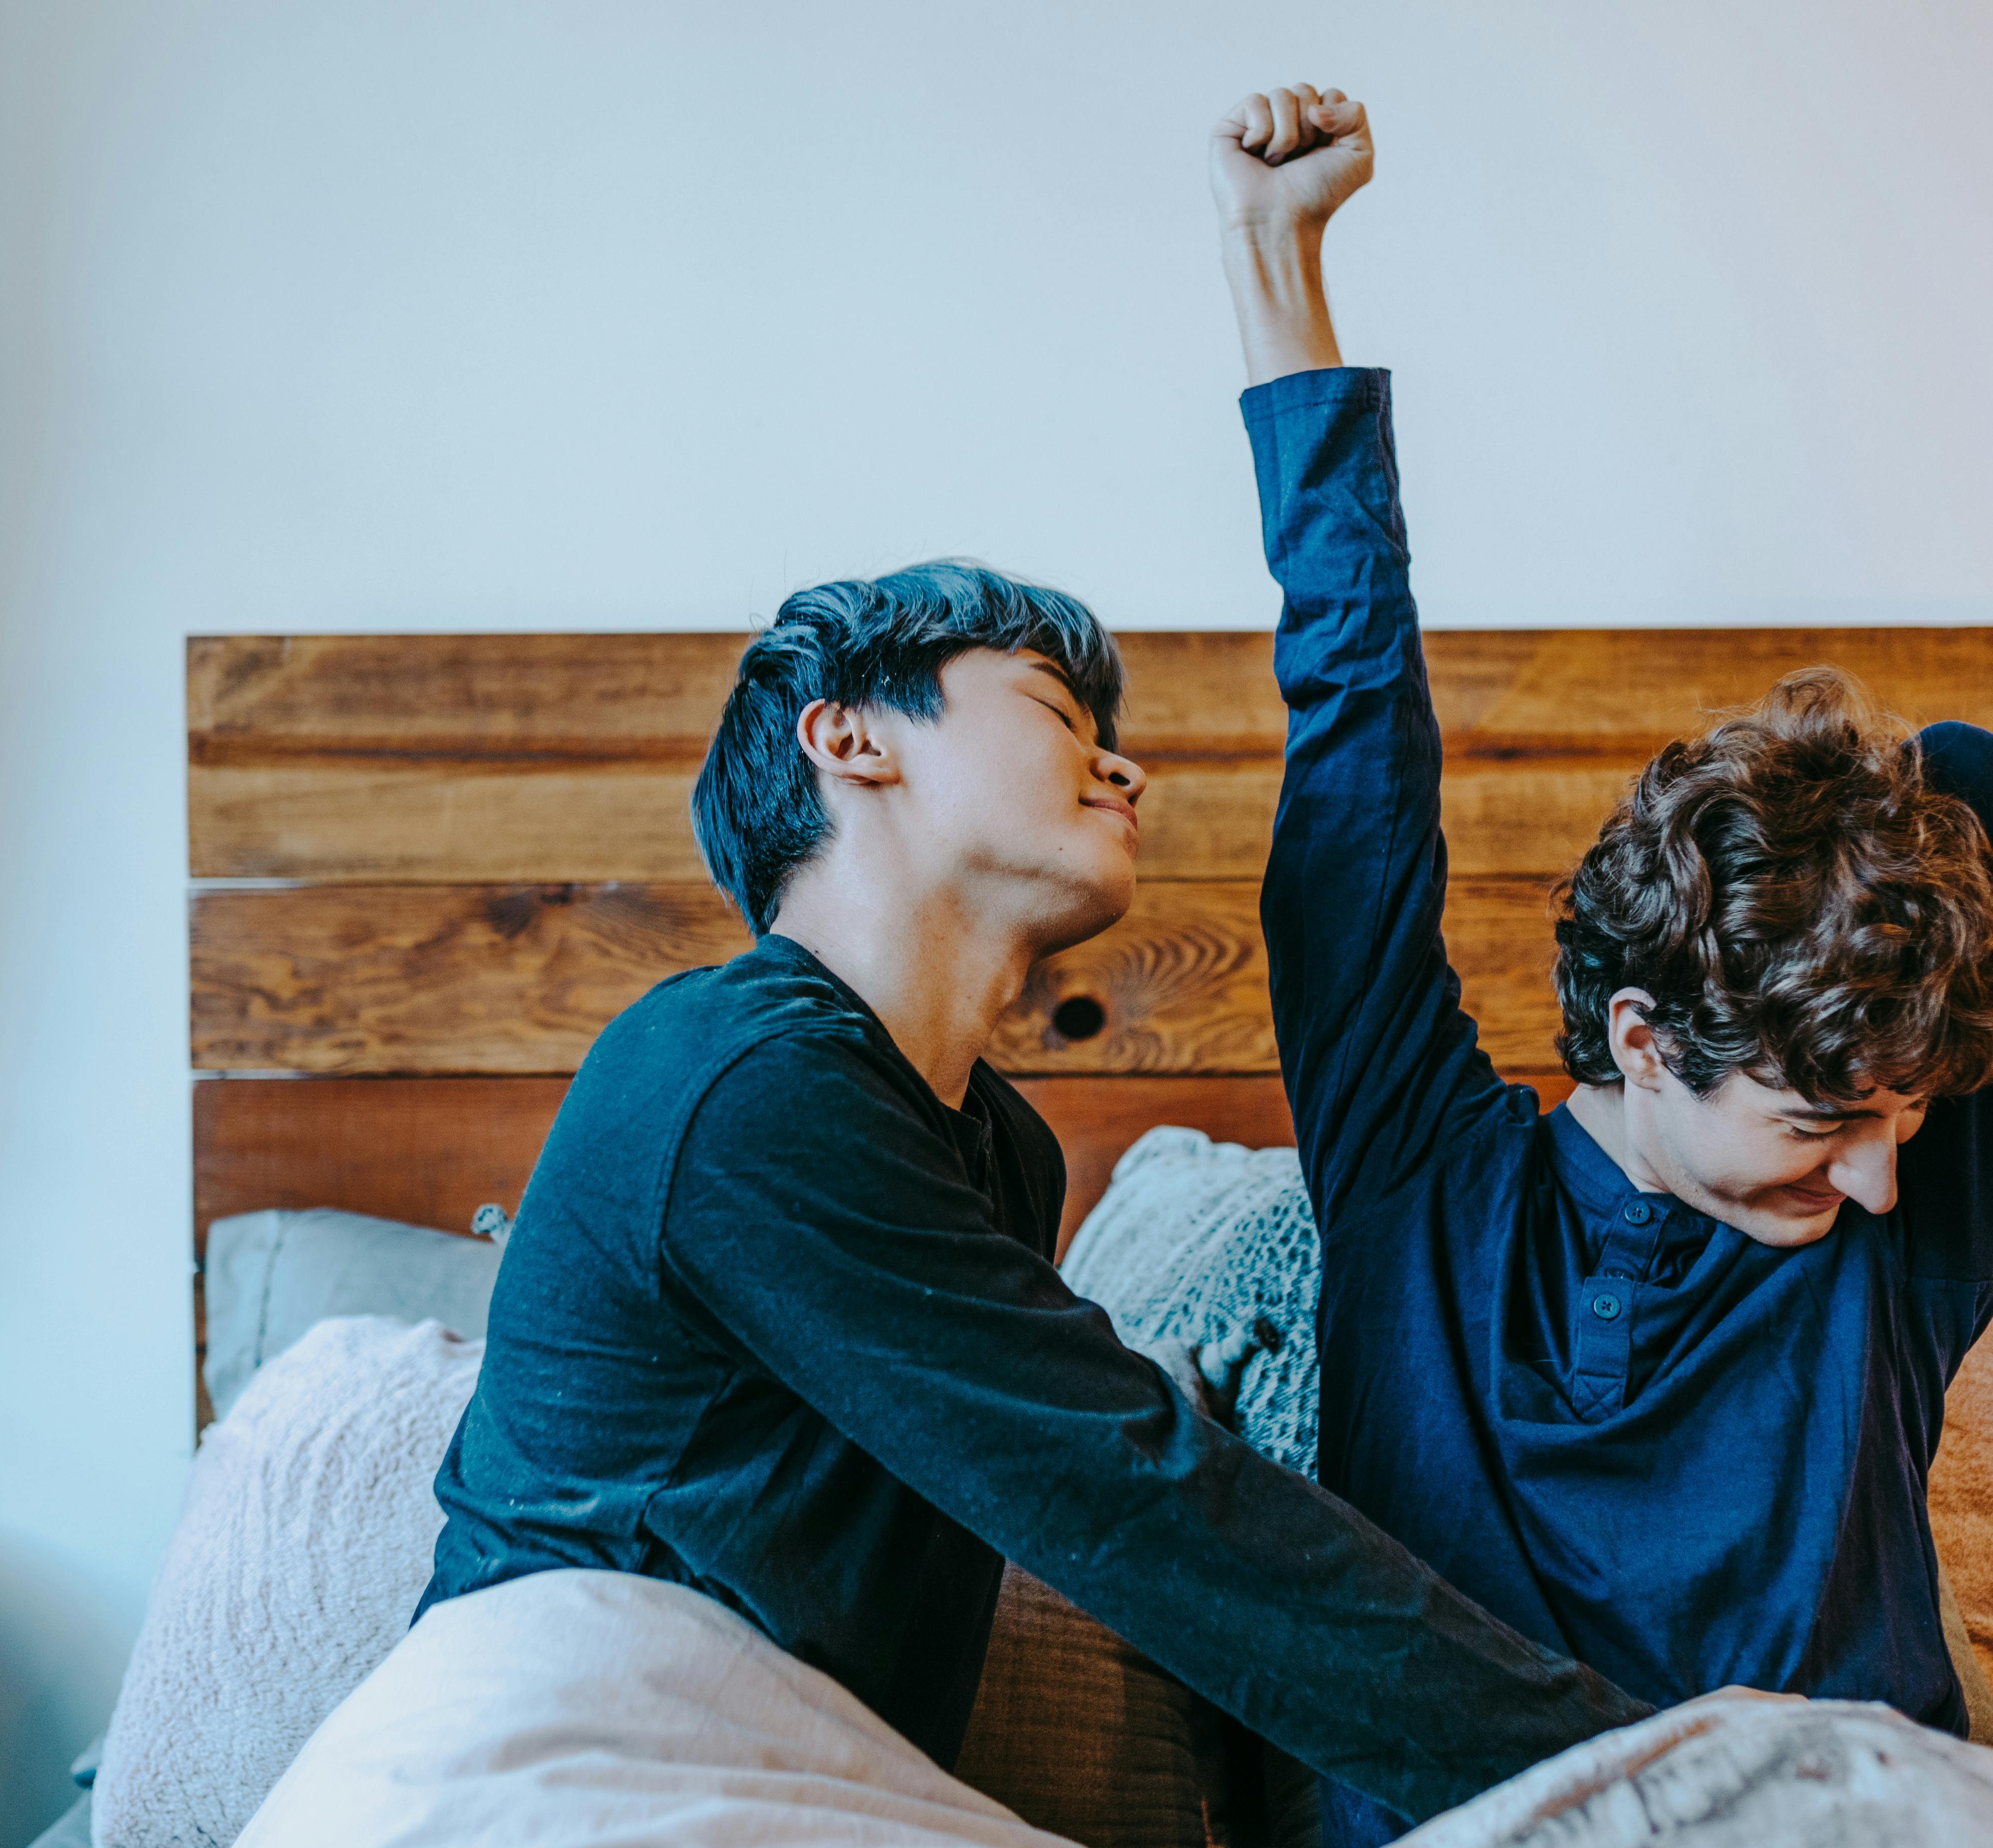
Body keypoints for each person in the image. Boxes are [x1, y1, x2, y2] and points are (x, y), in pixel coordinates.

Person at [411, 601, 1658, 1808]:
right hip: (568, 1762)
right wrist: (1641, 1769)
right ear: (851, 740)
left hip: (807, 1775)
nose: (1123, 766)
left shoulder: (1003, 1149)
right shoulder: (735, 1079)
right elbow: (1127, 1491)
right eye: (1056, 710)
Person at [1221, 82, 1993, 1847]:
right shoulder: (1415, 1184)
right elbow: (1354, 734)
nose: (1886, 1180)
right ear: (1639, 1036)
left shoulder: (1883, 1277)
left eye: (1901, 1115)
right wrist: (1271, 255)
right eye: (1826, 1116)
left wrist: (1843, 890)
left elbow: (1972, 774)